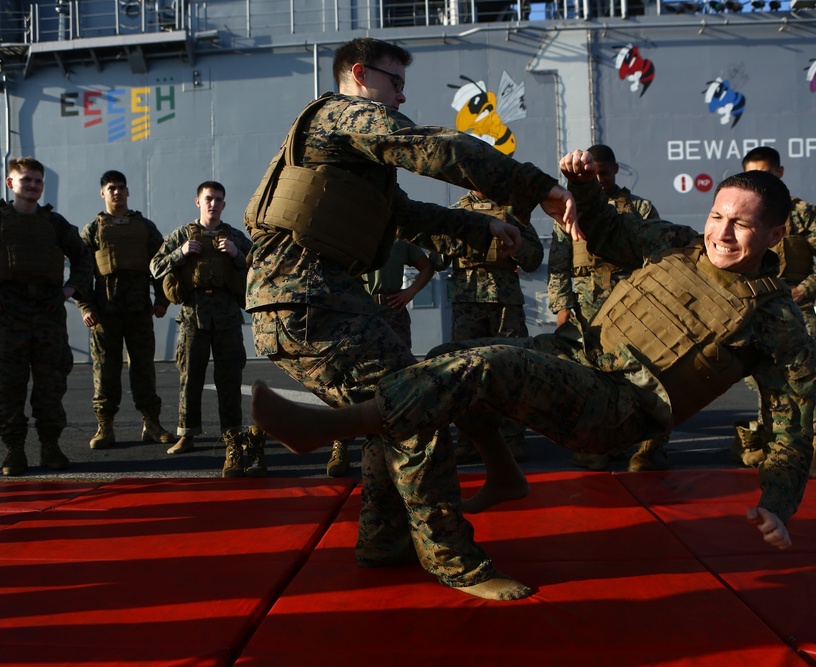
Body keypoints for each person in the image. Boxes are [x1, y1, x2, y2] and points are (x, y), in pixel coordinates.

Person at [251, 154, 816, 602]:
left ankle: (329, 428)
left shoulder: (776, 321)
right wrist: (584, 186)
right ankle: (499, 473)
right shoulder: (676, 244)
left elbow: (791, 427)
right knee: (453, 352)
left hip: (618, 409)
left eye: (741, 224)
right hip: (574, 356)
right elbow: (610, 235)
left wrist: (778, 504)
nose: (721, 232)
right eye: (717, 216)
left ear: (774, 234)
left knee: (487, 368)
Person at [243, 37, 578, 601]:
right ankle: (453, 560)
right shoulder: (343, 115)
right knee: (416, 411)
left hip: (328, 301)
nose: (401, 95)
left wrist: (481, 228)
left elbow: (402, 214)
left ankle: (384, 539)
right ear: (359, 73)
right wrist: (536, 188)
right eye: (394, 82)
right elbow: (435, 148)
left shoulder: (349, 155)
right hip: (306, 304)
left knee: (389, 414)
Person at [0, 157, 92, 476]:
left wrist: (69, 291)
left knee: (51, 385)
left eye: (38, 181)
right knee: (6, 386)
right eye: (27, 180)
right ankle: (14, 450)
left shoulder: (56, 224)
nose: (34, 186)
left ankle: (51, 446)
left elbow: (84, 259)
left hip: (48, 314)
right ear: (11, 183)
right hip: (7, 313)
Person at [546, 143, 665, 472]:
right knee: (596, 379)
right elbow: (559, 263)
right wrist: (562, 306)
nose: (599, 180)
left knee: (645, 375)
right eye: (593, 174)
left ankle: (650, 449)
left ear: (614, 170)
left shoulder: (639, 208)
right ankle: (601, 446)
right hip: (589, 309)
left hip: (635, 303)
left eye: (605, 173)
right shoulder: (571, 208)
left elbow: (657, 259)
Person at [738, 147, 816, 478]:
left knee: (807, 378)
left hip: (796, 311)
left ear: (780, 172)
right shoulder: (740, 214)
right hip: (756, 310)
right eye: (754, 173)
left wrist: (806, 290)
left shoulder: (804, 215)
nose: (763, 179)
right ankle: (776, 449)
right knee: (762, 381)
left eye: (768, 172)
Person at [150, 181, 263, 479]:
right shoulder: (182, 236)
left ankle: (232, 437)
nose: (213, 204)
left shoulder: (235, 237)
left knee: (229, 379)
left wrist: (238, 254)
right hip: (192, 315)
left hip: (227, 315)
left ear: (224, 205)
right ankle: (187, 434)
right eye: (208, 199)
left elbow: (260, 270)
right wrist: (181, 253)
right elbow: (155, 266)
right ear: (197, 202)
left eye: (218, 200)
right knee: (190, 378)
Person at [76, 170, 174, 451]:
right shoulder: (93, 229)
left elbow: (161, 263)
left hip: (139, 310)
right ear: (102, 193)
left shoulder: (144, 226)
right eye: (111, 188)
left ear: (128, 192)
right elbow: (82, 270)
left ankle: (152, 424)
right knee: (105, 370)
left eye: (121, 188)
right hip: (104, 311)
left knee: (143, 369)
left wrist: (162, 300)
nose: (116, 192)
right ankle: (105, 427)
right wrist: (85, 306)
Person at [445, 191, 543, 464]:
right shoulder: (456, 210)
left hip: (505, 304)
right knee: (465, 371)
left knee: (511, 369)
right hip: (467, 303)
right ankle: (468, 441)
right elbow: (438, 254)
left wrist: (516, 245)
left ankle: (511, 439)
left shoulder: (513, 211)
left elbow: (534, 257)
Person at [326, 239, 436, 477]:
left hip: (392, 310)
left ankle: (398, 446)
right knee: (346, 377)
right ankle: (341, 444)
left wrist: (410, 292)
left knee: (399, 380)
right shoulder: (352, 229)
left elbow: (427, 267)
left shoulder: (399, 236)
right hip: (357, 309)